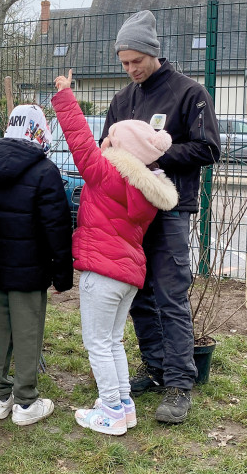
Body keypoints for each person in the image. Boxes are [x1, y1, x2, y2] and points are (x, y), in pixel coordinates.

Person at [100, 11, 220, 425]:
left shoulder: (189, 93)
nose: (131, 70)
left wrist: (153, 155)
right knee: (137, 293)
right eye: (124, 62)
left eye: (137, 61)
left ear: (154, 53)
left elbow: (207, 149)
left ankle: (179, 384)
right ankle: (154, 368)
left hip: (170, 209)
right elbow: (107, 149)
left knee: (170, 294)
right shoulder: (122, 100)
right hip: (130, 213)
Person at [52, 69, 179, 435]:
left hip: (103, 274)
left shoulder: (108, 175)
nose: (103, 142)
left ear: (122, 150)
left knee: (97, 343)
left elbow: (78, 142)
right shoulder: (145, 187)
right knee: (113, 341)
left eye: (110, 138)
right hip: (127, 276)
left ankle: (109, 409)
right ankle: (124, 405)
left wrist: (65, 96)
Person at [0, 105, 73, 426]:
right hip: (31, 268)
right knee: (28, 331)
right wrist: (63, 274)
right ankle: (26, 401)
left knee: (0, 328)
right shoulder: (45, 171)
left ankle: (1, 396)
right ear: (38, 129)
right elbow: (57, 227)